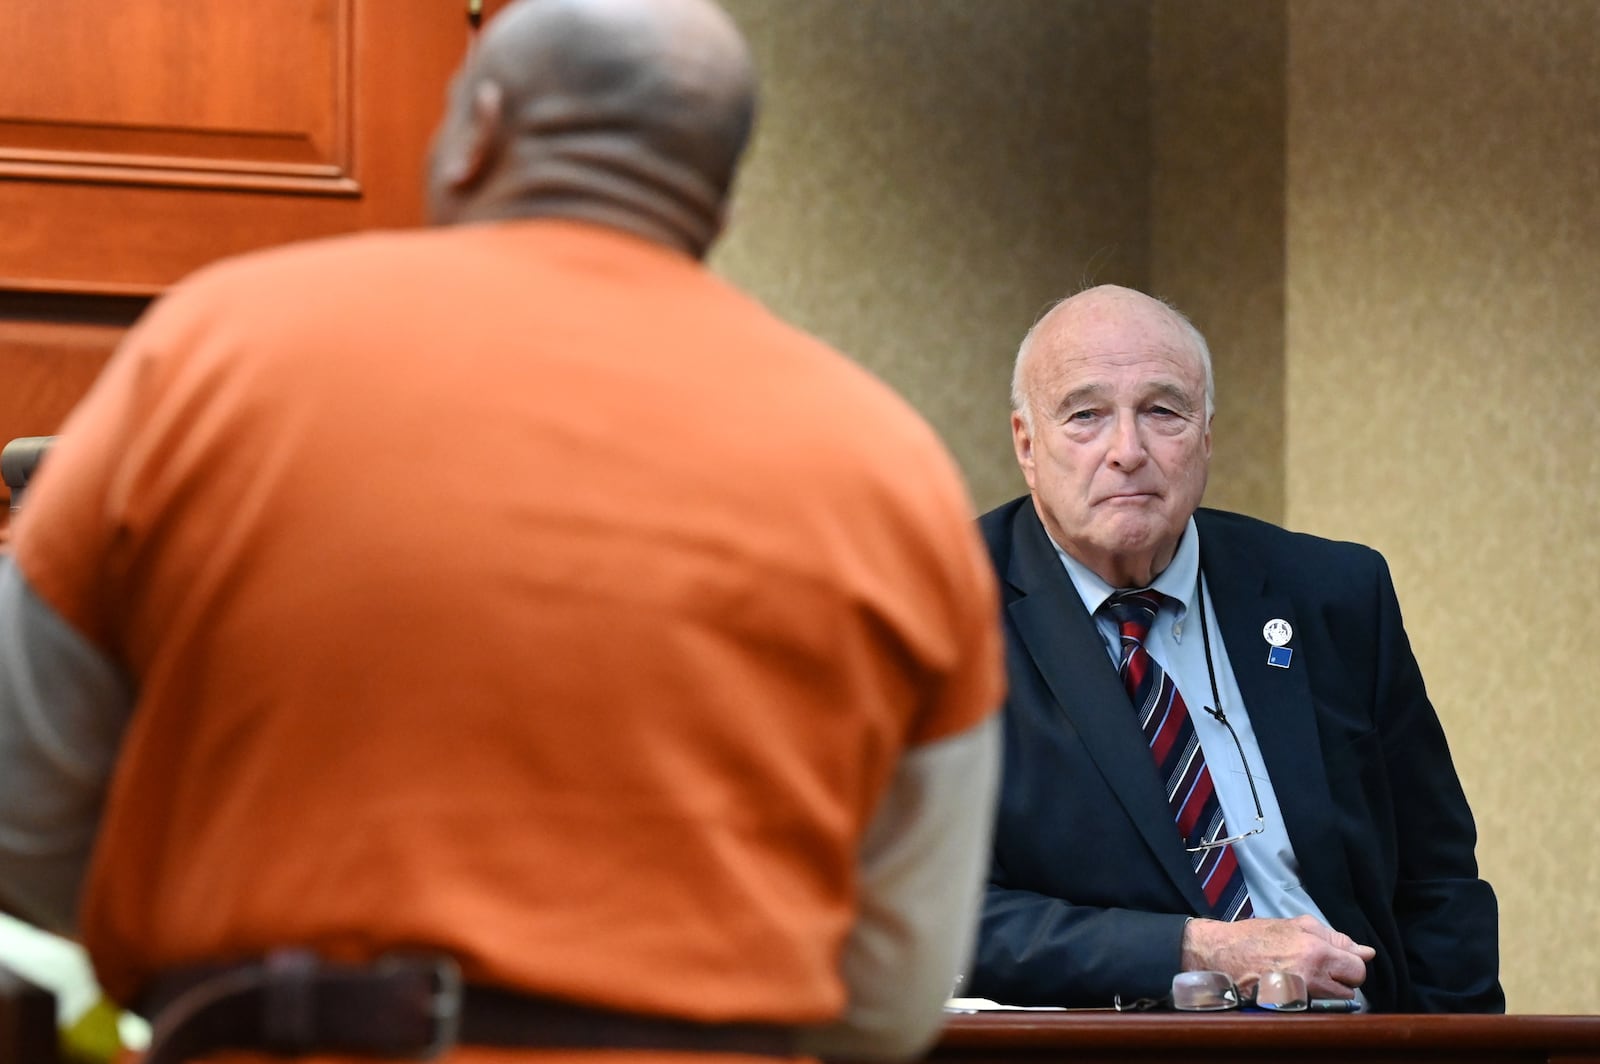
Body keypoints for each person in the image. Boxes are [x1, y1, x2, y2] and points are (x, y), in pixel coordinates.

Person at [0, 1, 1005, 1061]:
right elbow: (891, 988)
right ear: (719, 202)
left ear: (478, 130)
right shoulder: (890, 467)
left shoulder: (212, 350)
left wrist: (227, 944)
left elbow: (19, 809)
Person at [971, 284, 1501, 1013]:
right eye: (1085, 415)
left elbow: (1438, 880)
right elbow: (923, 917)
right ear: (1027, 445)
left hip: (1350, 1044)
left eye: (1163, 412)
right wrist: (1200, 950)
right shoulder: (940, 611)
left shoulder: (1332, 593)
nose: (1128, 451)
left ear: (1207, 436)